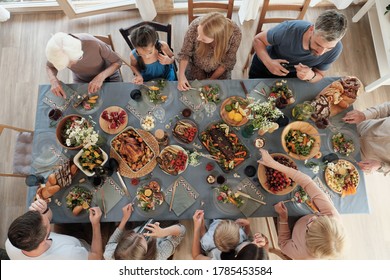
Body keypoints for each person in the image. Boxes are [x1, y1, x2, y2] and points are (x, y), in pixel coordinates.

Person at [258, 149, 346, 260]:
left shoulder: (302, 254)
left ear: (308, 240)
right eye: (318, 218)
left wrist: (283, 218)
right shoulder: (332, 217)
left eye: (309, 228)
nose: (313, 218)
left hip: (291, 230)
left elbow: (283, 243)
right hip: (302, 218)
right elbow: (307, 182)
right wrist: (273, 164)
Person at [249, 9, 347, 83]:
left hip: (293, 76)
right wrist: (269, 63)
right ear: (311, 29)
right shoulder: (288, 30)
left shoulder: (336, 49)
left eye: (329, 48)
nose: (321, 53)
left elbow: (320, 74)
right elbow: (258, 40)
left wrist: (310, 76)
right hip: (265, 66)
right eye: (318, 44)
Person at [5, 198, 103, 260]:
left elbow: (46, 217)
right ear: (44, 240)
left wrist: (44, 210)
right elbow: (96, 257)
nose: (46, 217)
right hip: (86, 249)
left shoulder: (11, 242)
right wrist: (95, 224)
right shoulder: (70, 256)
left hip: (70, 239)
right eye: (47, 223)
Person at [177, 12, 242, 91]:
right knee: (192, 91)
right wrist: (181, 76)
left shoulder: (235, 34)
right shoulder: (195, 26)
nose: (198, 38)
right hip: (196, 65)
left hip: (220, 68)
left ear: (217, 39)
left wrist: (211, 79)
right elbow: (185, 53)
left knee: (221, 91)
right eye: (198, 33)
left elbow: (227, 62)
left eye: (203, 39)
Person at [46, 32, 122, 97]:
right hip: (81, 79)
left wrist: (101, 77)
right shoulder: (57, 51)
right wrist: (53, 80)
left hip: (108, 74)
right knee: (79, 106)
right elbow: (49, 66)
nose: (71, 66)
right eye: (67, 65)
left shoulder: (93, 44)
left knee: (117, 97)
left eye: (71, 62)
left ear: (78, 52)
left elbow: (118, 61)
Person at [104, 203, 185, 260]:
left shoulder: (109, 254)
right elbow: (182, 231)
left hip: (137, 225)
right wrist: (163, 232)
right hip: (163, 230)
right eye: (143, 239)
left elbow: (112, 242)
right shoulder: (158, 257)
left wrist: (124, 219)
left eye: (134, 235)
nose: (141, 233)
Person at [342, 102, 390, 175]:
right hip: (357, 128)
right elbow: (387, 108)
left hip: (360, 159)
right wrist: (364, 115)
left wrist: (381, 166)